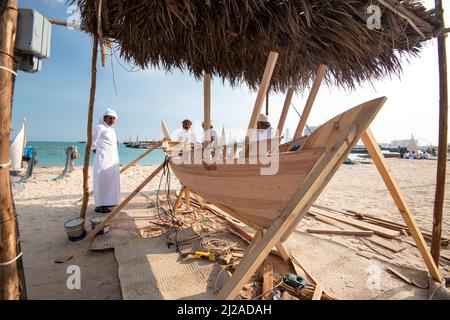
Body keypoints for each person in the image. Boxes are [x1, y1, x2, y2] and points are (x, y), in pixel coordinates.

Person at [92, 108, 120, 213]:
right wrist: (96, 151)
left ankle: (108, 203)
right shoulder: (100, 127)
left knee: (110, 181)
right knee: (101, 181)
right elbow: (92, 141)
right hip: (102, 159)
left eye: (114, 118)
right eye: (110, 118)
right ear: (104, 117)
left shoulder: (111, 129)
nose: (112, 120)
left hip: (112, 160)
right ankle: (99, 206)